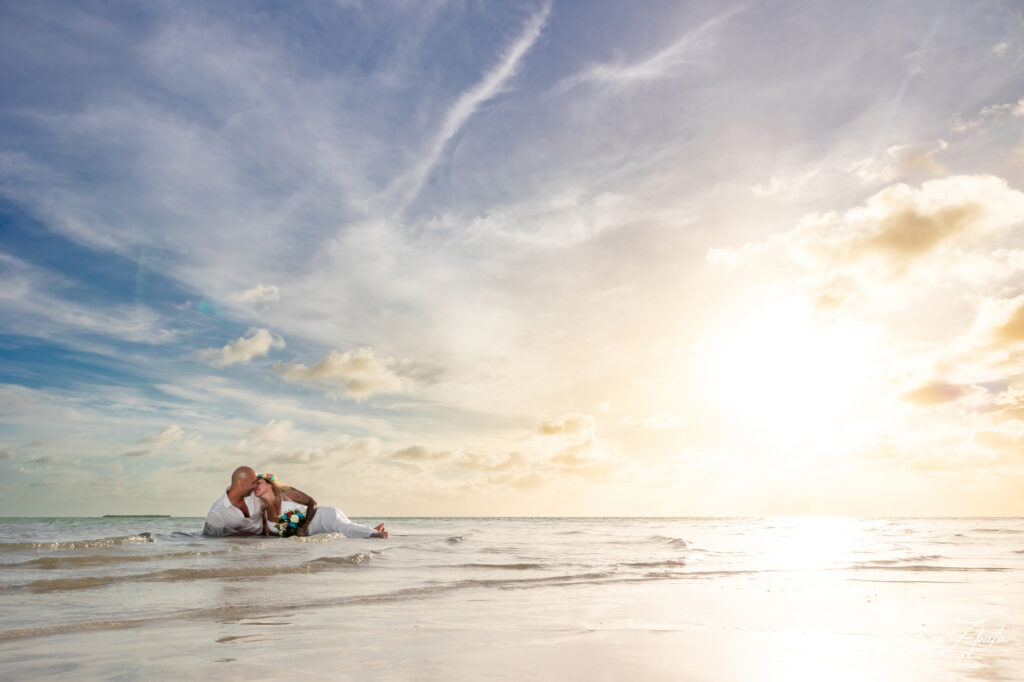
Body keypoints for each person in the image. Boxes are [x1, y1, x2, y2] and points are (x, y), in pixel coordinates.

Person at [253, 472, 388, 538]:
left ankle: (378, 535)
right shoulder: (264, 511)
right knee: (346, 534)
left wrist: (303, 528)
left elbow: (313, 503)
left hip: (322, 516)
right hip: (316, 533)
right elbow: (268, 535)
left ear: (269, 484)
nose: (255, 487)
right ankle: (372, 530)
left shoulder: (285, 493)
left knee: (344, 528)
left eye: (258, 483)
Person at [202, 466, 264, 536]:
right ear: (242, 484)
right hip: (243, 545)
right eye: (253, 483)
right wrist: (233, 536)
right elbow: (208, 540)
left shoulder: (257, 493)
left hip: (269, 542)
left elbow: (276, 490)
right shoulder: (217, 513)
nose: (256, 486)